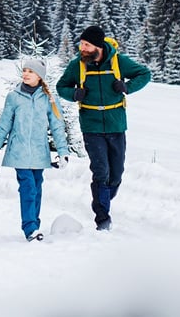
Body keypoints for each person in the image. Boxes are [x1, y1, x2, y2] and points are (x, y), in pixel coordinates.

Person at [56, 26, 151, 231]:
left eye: (86, 45)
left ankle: (104, 199)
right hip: (91, 125)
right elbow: (60, 86)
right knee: (101, 171)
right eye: (81, 44)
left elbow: (144, 74)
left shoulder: (118, 61)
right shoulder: (77, 66)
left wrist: (126, 87)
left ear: (98, 46)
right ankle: (102, 219)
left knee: (116, 174)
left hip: (116, 123)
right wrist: (74, 94)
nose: (82, 48)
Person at [0, 59, 70, 242]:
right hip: (19, 151)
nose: (25, 74)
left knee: (37, 187)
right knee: (28, 187)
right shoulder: (14, 97)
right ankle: (30, 228)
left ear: (39, 76)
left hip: (39, 151)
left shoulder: (50, 98)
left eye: (30, 71)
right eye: (24, 70)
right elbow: (5, 124)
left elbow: (57, 126)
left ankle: (34, 223)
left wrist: (63, 152)